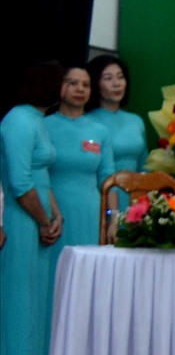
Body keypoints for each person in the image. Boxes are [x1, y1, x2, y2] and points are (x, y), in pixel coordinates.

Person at [0, 62, 64, 355]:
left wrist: (56, 214)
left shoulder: (37, 120)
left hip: (37, 219)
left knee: (35, 304)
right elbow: (20, 183)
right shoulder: (18, 120)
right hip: (20, 221)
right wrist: (42, 220)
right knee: (17, 302)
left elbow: (43, 176)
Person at [43, 65, 113, 261]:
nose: (80, 89)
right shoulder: (44, 126)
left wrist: (113, 218)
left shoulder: (100, 131)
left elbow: (108, 178)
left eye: (86, 85)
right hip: (54, 213)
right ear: (59, 87)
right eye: (72, 83)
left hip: (91, 213)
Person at [86, 54, 152, 207]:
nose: (116, 84)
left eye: (120, 77)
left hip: (135, 201)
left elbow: (144, 166)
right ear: (96, 84)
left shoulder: (136, 121)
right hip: (102, 199)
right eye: (108, 78)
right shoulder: (88, 122)